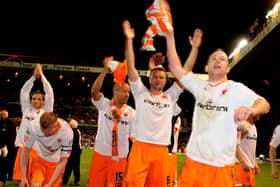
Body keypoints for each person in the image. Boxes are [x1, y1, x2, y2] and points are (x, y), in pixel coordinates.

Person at [165, 21, 270, 186]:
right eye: (213, 58)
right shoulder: (199, 85)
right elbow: (175, 67)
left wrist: (252, 109)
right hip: (194, 164)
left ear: (228, 68)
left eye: (222, 59)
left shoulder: (236, 89)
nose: (217, 61)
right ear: (206, 67)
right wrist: (170, 36)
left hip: (221, 168)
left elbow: (264, 103)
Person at [122, 17, 183, 186]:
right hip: (140, 147)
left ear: (166, 80)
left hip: (162, 149)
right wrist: (129, 40)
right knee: (133, 183)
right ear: (149, 79)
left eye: (161, 77)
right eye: (155, 76)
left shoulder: (171, 96)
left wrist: (172, 41)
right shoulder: (140, 92)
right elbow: (131, 67)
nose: (158, 79)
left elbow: (183, 74)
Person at [87, 57, 136, 187]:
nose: (127, 95)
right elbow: (94, 92)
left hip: (120, 159)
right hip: (100, 154)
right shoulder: (105, 105)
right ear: (115, 91)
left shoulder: (131, 113)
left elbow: (134, 138)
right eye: (124, 91)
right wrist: (105, 70)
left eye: (129, 92)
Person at [13, 63, 54, 181]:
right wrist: (32, 78)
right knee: (23, 180)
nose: (36, 101)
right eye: (34, 99)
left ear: (43, 102)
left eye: (39, 99)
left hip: (39, 150)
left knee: (36, 180)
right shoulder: (26, 110)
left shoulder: (46, 112)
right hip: (24, 149)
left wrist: (42, 76)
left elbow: (50, 93)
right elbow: (23, 92)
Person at [19, 112, 73, 187]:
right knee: (35, 185)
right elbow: (25, 151)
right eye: (42, 131)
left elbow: (63, 161)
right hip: (38, 158)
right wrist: (23, 177)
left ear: (55, 127)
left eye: (47, 132)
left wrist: (50, 184)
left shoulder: (67, 133)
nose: (44, 134)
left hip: (55, 163)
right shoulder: (33, 126)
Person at [235, 117, 260, 187]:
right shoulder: (241, 125)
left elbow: (251, 148)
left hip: (250, 166)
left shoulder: (254, 126)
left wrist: (255, 163)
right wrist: (242, 162)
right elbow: (234, 145)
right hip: (241, 165)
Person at [62, 119, 82, 186]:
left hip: (72, 150)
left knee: (69, 166)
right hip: (78, 150)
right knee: (76, 166)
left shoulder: (71, 132)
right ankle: (77, 180)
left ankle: (65, 180)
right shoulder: (78, 131)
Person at [0, 109, 17, 186]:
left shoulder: (11, 124)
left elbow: (12, 136)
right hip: (0, 146)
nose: (3, 116)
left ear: (7, 115)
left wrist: (7, 145)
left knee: (7, 162)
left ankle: (7, 177)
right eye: (1, 114)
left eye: (4, 114)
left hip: (8, 147)